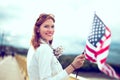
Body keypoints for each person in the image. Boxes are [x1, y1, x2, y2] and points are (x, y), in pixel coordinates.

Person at [27, 13, 85, 80]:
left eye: (52, 26)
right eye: (46, 26)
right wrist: (73, 66)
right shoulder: (44, 49)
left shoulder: (34, 46)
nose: (50, 30)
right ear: (37, 29)